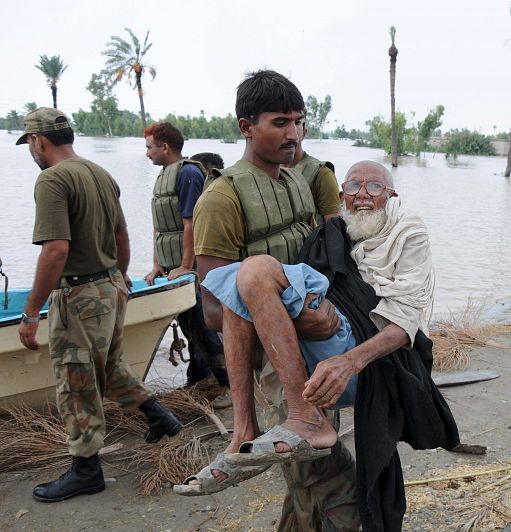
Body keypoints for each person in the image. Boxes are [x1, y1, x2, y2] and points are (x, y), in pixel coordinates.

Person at [202, 160, 460, 531]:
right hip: (324, 343)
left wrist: (348, 362)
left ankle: (303, 418)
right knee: (238, 281)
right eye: (354, 186)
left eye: (374, 187)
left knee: (256, 270)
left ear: (391, 195)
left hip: (368, 355)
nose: (363, 195)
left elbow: (405, 323)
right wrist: (306, 313)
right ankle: (244, 430)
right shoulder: (333, 233)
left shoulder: (408, 232)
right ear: (342, 196)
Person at [182, 70, 359, 530]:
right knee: (331, 481)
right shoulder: (221, 198)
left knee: (307, 481)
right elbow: (214, 311)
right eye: (280, 122)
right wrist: (302, 322)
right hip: (275, 366)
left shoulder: (297, 180)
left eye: (298, 122)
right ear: (246, 127)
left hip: (316, 354)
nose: (293, 134)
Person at [16, 108, 183, 503]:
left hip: (78, 294)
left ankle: (85, 470)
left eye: (30, 143)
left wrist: (30, 312)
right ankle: (161, 418)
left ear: (39, 140)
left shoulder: (52, 179)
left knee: (76, 381)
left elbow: (56, 251)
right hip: (109, 287)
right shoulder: (99, 173)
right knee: (108, 365)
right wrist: (120, 276)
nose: (31, 150)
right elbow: (122, 235)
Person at [144, 124, 230, 407]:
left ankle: (230, 385)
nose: (147, 153)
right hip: (173, 270)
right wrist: (158, 264)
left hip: (189, 270)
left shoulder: (188, 173)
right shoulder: (164, 175)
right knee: (190, 328)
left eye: (150, 147)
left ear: (165, 147)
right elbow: (160, 225)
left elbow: (191, 223)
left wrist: (185, 265)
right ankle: (200, 377)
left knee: (206, 328)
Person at [285, 122, 340, 225]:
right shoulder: (261, 170)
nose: (289, 134)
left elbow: (333, 227)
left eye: (297, 123)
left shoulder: (322, 174)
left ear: (304, 132)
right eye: (279, 123)